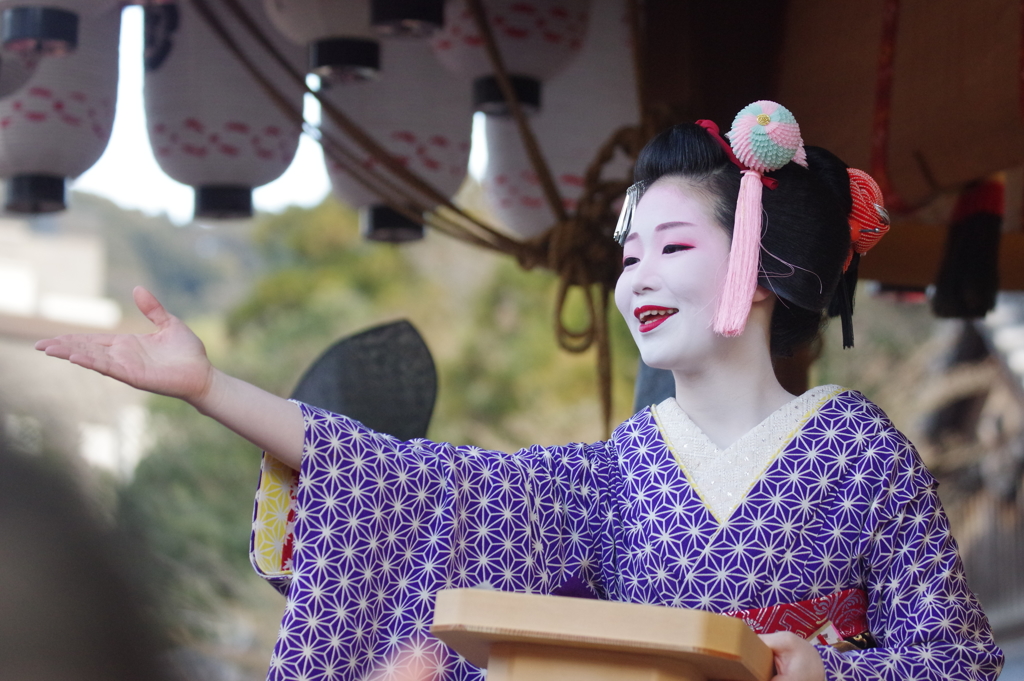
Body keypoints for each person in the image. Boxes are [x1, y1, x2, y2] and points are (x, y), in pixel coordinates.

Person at [36, 101, 1003, 681]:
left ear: (764, 265)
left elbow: (959, 660)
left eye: (673, 248)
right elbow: (411, 485)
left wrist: (825, 669)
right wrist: (211, 386)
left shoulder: (857, 450)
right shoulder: (618, 472)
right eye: (630, 257)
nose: (636, 280)